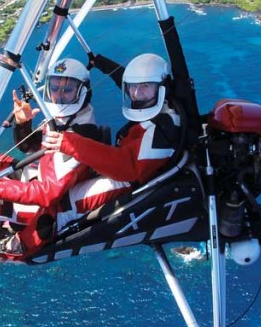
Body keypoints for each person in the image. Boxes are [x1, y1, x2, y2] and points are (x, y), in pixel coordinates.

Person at [0, 57, 106, 253]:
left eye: (67, 90)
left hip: (51, 203)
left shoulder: (78, 136)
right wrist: (23, 123)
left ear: (81, 92)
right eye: (54, 88)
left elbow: (47, 195)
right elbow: (30, 147)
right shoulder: (67, 116)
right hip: (45, 175)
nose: (58, 96)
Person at [44, 52, 182, 225]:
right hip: (121, 166)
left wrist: (71, 143)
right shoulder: (155, 102)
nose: (137, 93)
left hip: (129, 182)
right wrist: (100, 62)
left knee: (63, 206)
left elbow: (127, 167)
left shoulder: (165, 126)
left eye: (145, 85)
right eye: (134, 87)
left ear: (162, 87)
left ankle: (25, 244)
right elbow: (125, 80)